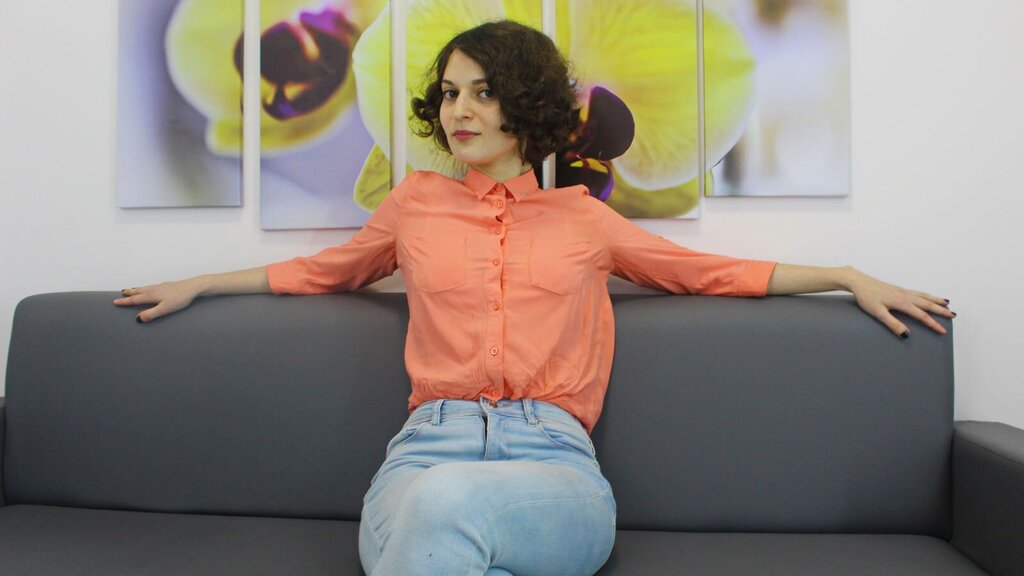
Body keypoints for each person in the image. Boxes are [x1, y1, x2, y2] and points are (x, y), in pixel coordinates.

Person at [114, 20, 954, 576]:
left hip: (553, 466)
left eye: (482, 91)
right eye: (449, 92)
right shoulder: (414, 205)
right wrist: (201, 283)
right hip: (423, 455)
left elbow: (712, 272)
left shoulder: (586, 220)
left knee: (442, 518)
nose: (459, 110)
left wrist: (846, 275)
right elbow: (323, 271)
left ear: (527, 101)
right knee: (435, 516)